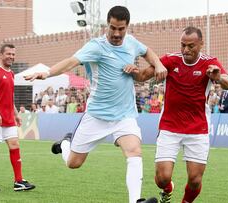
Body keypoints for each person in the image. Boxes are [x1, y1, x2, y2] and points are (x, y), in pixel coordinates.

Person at [24, 6, 167, 203]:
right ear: (107, 25)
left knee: (134, 151)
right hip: (97, 116)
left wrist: (158, 64)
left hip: (124, 115)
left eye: (121, 29)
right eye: (113, 28)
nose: (116, 33)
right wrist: (48, 73)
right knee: (73, 163)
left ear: (127, 27)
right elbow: (70, 62)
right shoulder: (95, 46)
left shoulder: (131, 42)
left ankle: (135, 201)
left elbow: (148, 52)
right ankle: (65, 144)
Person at [126, 26, 228, 203]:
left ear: (201, 44)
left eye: (191, 46)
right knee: (162, 179)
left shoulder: (210, 63)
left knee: (195, 180)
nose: (186, 50)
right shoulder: (170, 60)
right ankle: (168, 189)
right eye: (183, 45)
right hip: (170, 126)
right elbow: (144, 75)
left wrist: (218, 77)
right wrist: (133, 70)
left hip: (198, 129)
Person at [0, 44, 35, 192]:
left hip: (8, 117)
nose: (11, 57)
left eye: (13, 54)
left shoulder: (11, 74)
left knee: (14, 144)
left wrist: (16, 114)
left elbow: (9, 97)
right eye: (8, 54)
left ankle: (19, 181)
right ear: (1, 54)